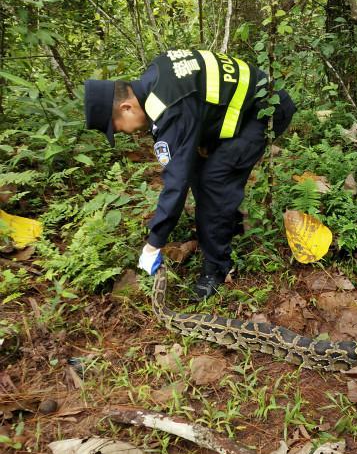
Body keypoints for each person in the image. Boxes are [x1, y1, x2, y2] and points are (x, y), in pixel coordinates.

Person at [83, 49, 296, 299]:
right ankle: (227, 225)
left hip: (265, 109)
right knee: (198, 169)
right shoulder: (153, 80)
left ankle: (217, 268)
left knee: (214, 180)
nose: (123, 133)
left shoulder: (168, 106)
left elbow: (176, 181)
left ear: (127, 107)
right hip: (242, 109)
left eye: (117, 128)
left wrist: (154, 243)